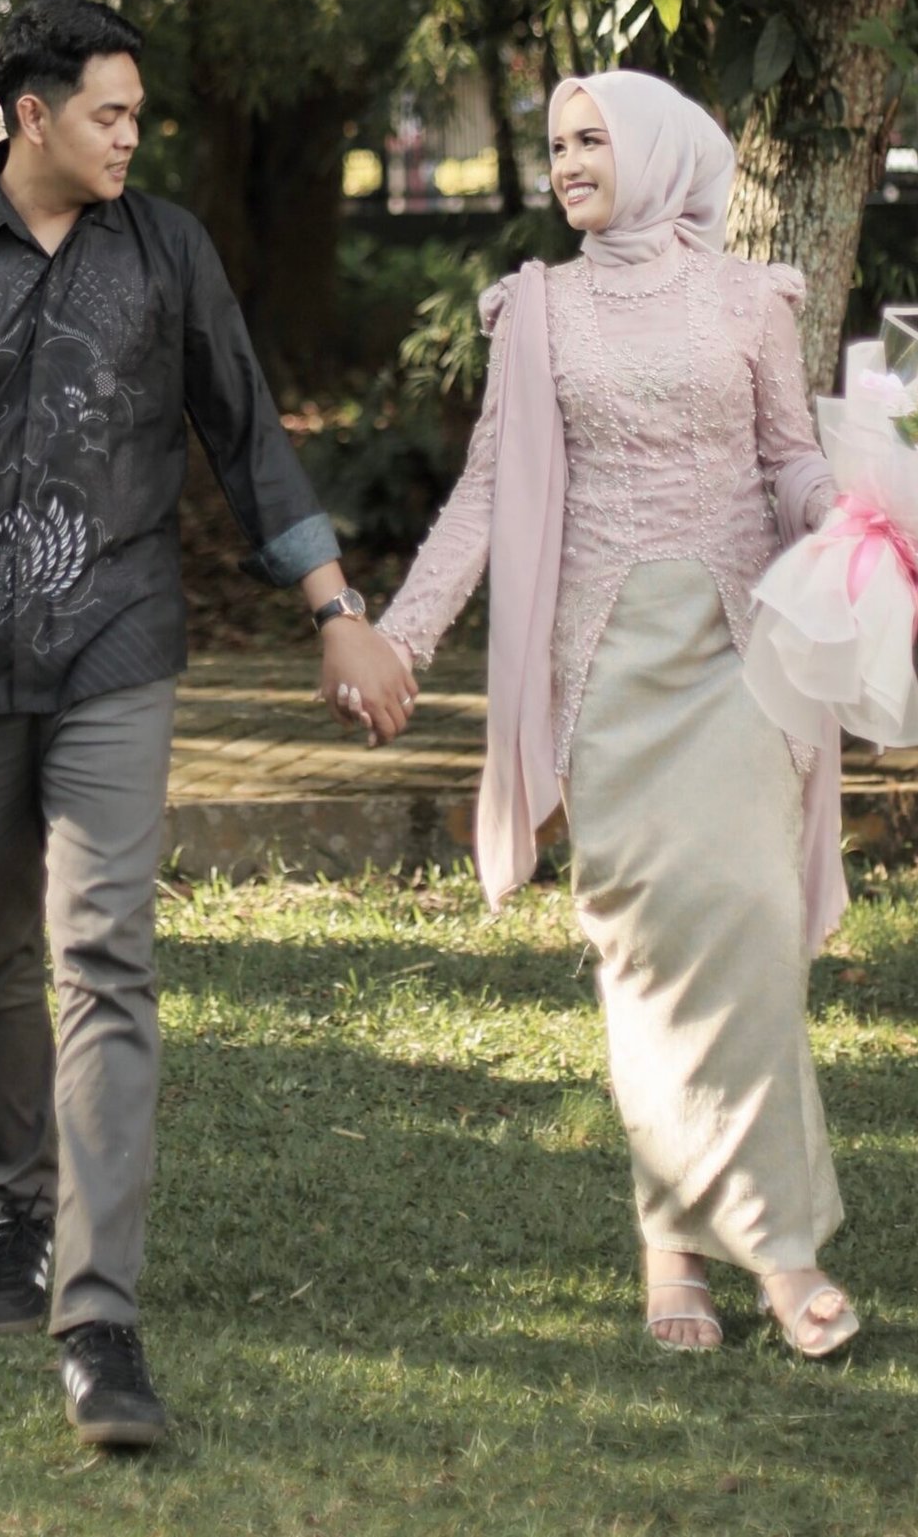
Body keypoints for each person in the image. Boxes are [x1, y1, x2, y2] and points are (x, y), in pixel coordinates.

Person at [0, 0, 415, 1445]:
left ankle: (97, 1316)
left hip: (119, 649)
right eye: (110, 112)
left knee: (105, 956)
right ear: (33, 115)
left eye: (138, 112)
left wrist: (336, 606)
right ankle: (18, 1209)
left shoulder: (168, 253)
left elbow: (245, 429)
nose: (133, 134)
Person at [371, 69, 860, 1359]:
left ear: (655, 151)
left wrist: (851, 518)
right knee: (645, 959)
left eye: (593, 139)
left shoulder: (753, 299)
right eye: (557, 143)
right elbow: (486, 494)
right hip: (605, 678)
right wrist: (401, 635)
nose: (571, 161)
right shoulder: (536, 310)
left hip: (744, 663)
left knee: (750, 926)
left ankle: (783, 1252)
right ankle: (671, 1252)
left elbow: (789, 457)